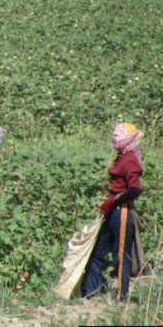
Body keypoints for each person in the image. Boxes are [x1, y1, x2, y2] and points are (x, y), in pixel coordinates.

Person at [82, 123, 144, 301]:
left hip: (121, 211)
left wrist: (115, 199)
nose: (114, 137)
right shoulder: (122, 156)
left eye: (118, 135)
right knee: (97, 250)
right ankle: (93, 293)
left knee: (121, 255)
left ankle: (121, 296)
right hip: (111, 210)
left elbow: (135, 189)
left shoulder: (130, 159)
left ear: (128, 139)